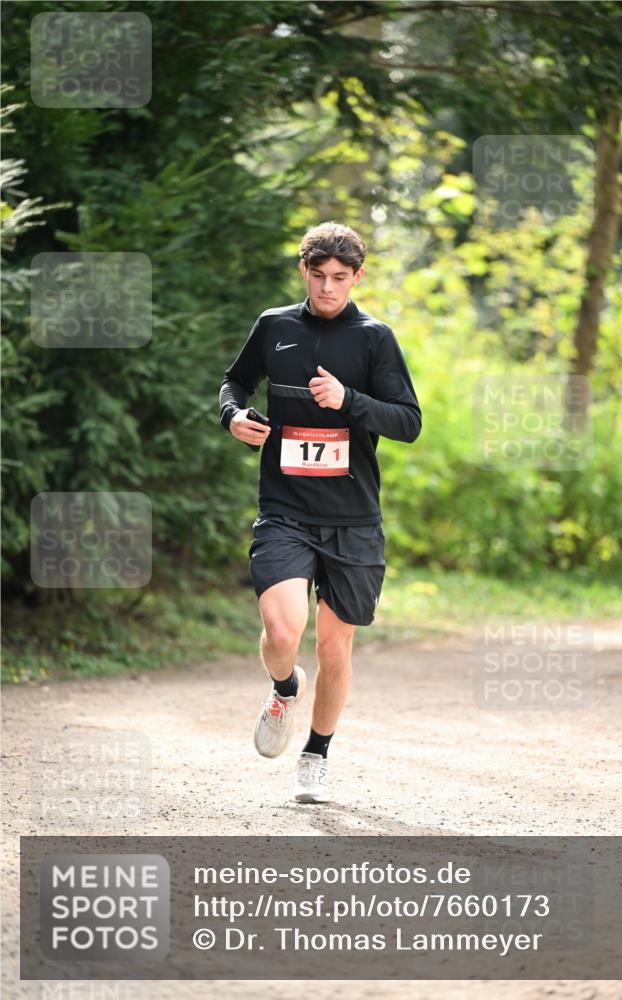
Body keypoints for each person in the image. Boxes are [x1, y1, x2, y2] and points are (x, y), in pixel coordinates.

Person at [218, 221, 421, 803]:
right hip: (285, 507)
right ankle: (285, 687)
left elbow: (408, 422)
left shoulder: (374, 338)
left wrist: (349, 400)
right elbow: (234, 382)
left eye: (340, 278)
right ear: (303, 271)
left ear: (357, 277)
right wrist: (232, 416)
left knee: (334, 649)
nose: (328, 288)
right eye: (318, 275)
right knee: (283, 630)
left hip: (354, 517)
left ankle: (316, 752)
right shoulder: (274, 325)